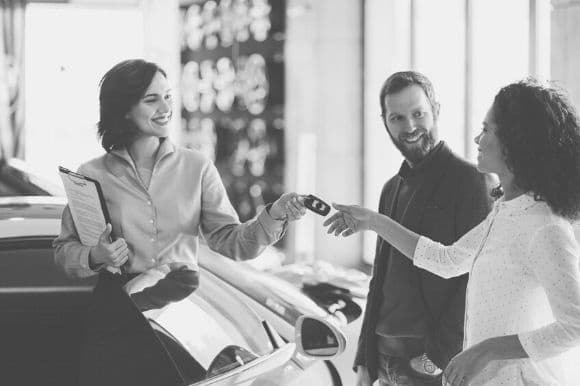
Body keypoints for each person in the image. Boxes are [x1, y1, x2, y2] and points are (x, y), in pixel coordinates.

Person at [53, 59, 306, 384]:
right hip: (116, 313)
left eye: (168, 96)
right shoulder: (92, 174)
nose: (165, 107)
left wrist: (274, 215)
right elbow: (63, 251)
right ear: (124, 109)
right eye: (151, 99)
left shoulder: (196, 167)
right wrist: (95, 256)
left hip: (179, 314)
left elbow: (232, 242)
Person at [325, 78, 580, 385]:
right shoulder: (504, 213)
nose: (477, 138)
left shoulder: (545, 226)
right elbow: (446, 261)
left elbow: (575, 326)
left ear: (515, 142)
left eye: (487, 130)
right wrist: (372, 221)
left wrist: (484, 350)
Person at [336, 71, 493, 386]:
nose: (409, 127)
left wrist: (437, 358)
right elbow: (378, 277)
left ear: (436, 109)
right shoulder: (390, 188)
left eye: (418, 113)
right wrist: (365, 359)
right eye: (397, 117)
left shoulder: (472, 181)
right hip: (382, 359)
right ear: (385, 122)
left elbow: (478, 277)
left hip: (427, 364)